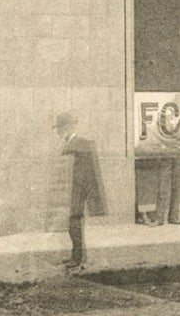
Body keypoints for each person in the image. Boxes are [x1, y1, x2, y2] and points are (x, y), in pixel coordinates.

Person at [55, 112, 106, 271]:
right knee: (72, 223)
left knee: (74, 222)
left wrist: (81, 192)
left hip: (77, 189)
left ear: (68, 127)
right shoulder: (70, 143)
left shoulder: (80, 143)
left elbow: (84, 171)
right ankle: (76, 255)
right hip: (71, 189)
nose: (58, 132)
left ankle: (78, 258)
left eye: (60, 128)